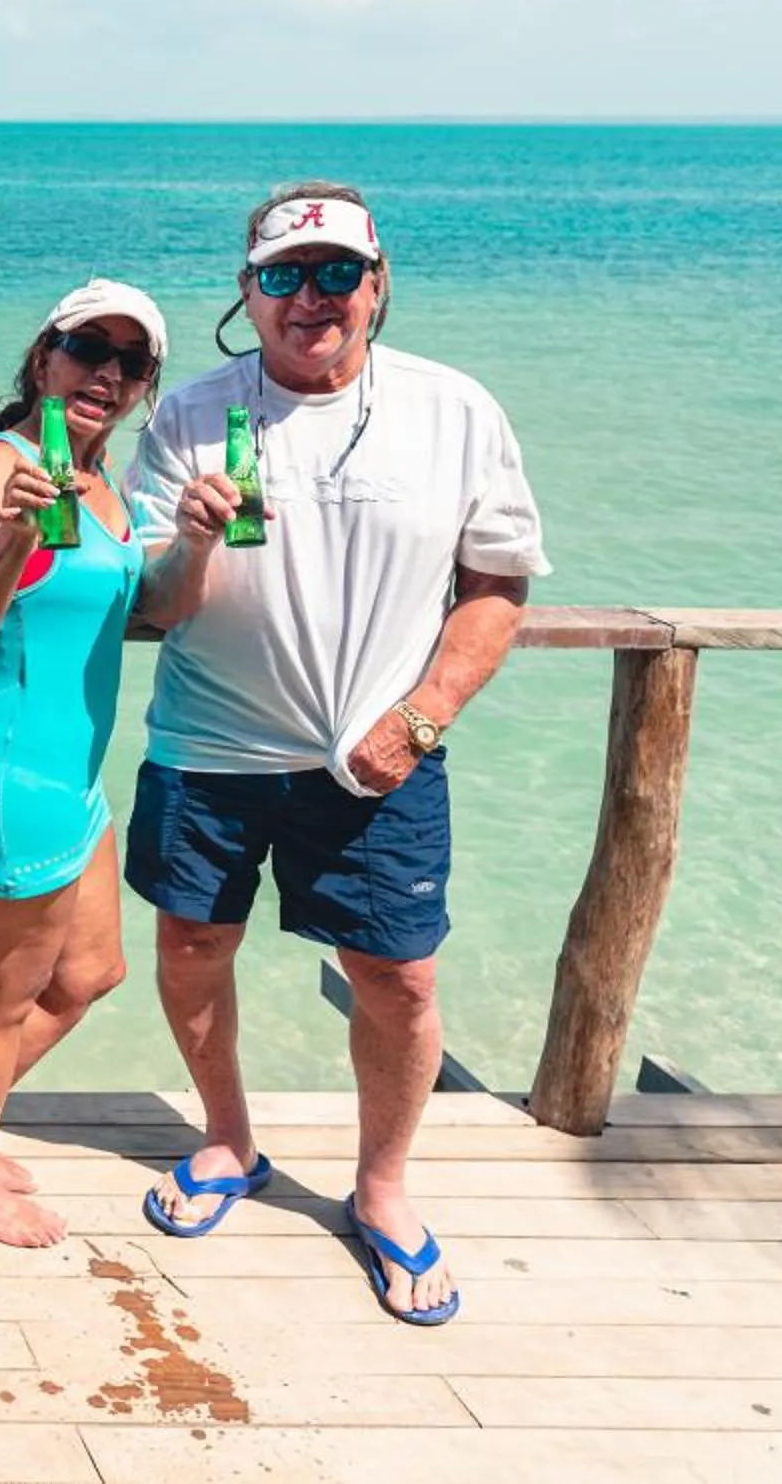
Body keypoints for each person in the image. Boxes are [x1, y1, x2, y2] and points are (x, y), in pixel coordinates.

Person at [126, 184, 546, 1327]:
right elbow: (155, 608)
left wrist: (422, 716)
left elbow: (497, 586)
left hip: (381, 759)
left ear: (378, 282)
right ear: (247, 293)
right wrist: (195, 541)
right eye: (281, 277)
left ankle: (383, 1186)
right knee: (193, 944)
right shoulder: (189, 417)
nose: (309, 299)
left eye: (333, 274)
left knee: (399, 977)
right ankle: (227, 1140)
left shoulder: (453, 410)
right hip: (208, 743)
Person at [0, 280, 162, 1247]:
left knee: (91, 972)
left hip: (75, 773)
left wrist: (218, 546)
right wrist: (17, 533)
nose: (106, 371)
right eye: (85, 346)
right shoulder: (0, 465)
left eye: (130, 360)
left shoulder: (106, 482)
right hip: (5, 769)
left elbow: (155, 604)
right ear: (42, 356)